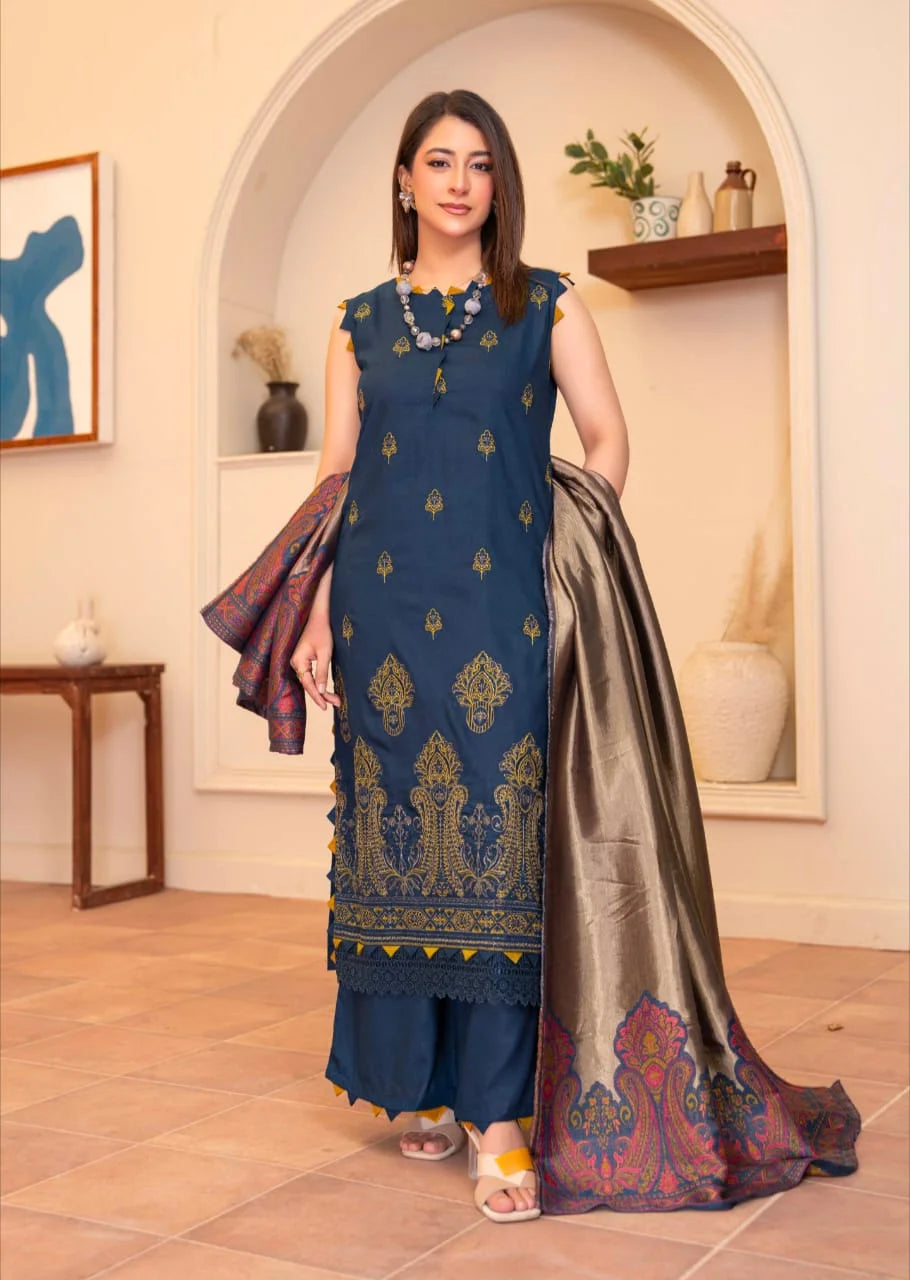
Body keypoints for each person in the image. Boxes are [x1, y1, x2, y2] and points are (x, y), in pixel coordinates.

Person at [289, 88, 629, 1223]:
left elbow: (606, 438)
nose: (457, 182)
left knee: (493, 850)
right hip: (378, 617)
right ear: (403, 179)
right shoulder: (355, 322)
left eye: (479, 164)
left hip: (502, 614)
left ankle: (500, 1117)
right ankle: (421, 1085)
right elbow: (337, 479)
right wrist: (305, 610)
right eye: (437, 161)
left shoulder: (547, 304)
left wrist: (567, 552)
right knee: (396, 840)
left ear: (498, 185)